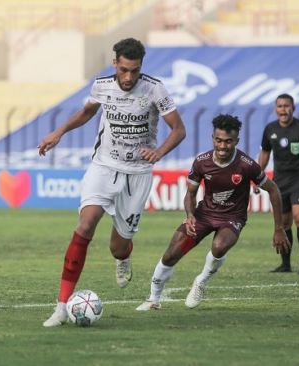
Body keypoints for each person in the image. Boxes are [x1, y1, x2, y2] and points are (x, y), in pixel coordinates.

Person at [37, 38, 186, 327]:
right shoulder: (102, 85)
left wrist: (159, 152)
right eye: (124, 70)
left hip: (137, 173)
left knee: (118, 247)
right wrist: (60, 132)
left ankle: (123, 257)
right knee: (85, 225)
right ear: (115, 63)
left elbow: (178, 130)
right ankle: (61, 306)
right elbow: (87, 112)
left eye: (135, 71)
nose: (129, 77)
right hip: (103, 166)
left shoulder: (155, 89)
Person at [136, 114, 290, 311]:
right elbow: (190, 195)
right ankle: (153, 300)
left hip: (232, 218)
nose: (223, 146)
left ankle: (201, 280)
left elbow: (274, 190)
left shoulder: (246, 165)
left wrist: (279, 229)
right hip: (204, 214)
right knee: (171, 254)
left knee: (218, 246)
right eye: (218, 140)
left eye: (228, 142)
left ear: (236, 141)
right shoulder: (202, 162)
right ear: (213, 138)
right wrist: (190, 215)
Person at [256, 93, 299, 274]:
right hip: (280, 181)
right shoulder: (270, 129)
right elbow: (265, 153)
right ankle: (285, 264)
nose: (283, 110)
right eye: (280, 106)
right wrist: (257, 176)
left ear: (293, 108)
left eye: (287, 106)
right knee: (284, 223)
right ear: (275, 109)